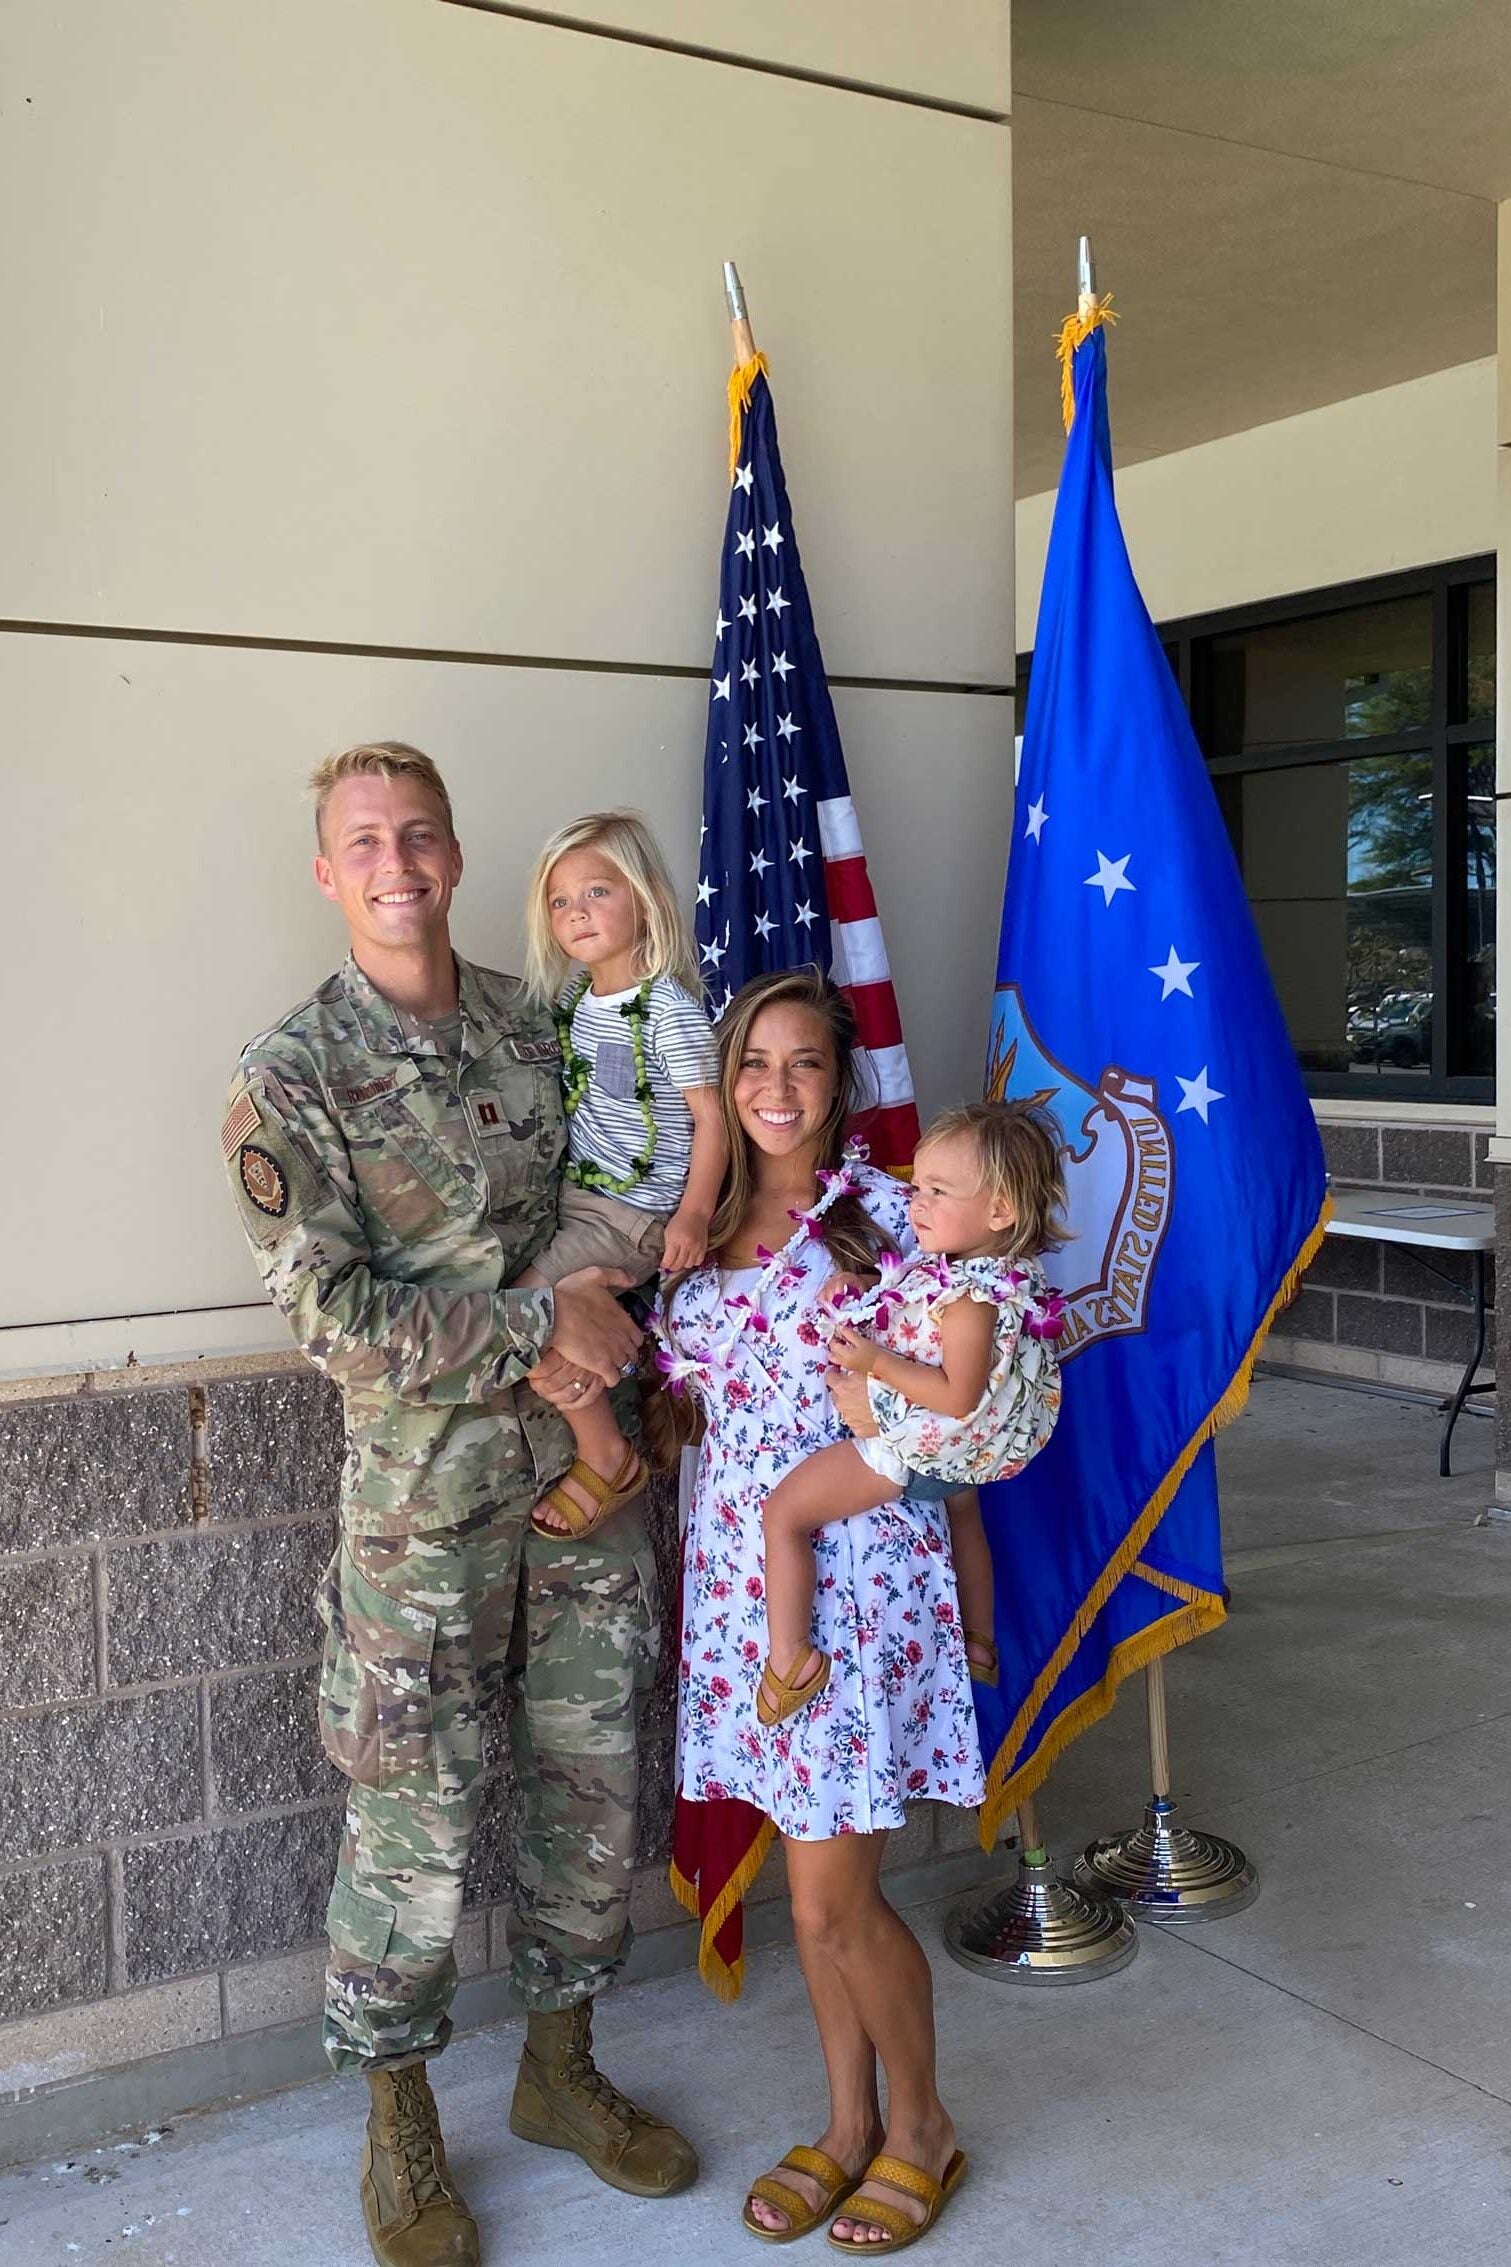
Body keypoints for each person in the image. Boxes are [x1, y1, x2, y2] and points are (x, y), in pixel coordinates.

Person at [221, 742, 696, 2267]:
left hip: (583, 1487)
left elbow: (615, 1202)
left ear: (454, 848)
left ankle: (560, 2069)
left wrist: (623, 1361)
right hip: (423, 1519)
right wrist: (534, 1331)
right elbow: (334, 1317)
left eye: (418, 831)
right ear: (326, 868)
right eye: (363, 837)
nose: (396, 859)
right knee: (412, 1816)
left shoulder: (532, 1019)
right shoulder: (286, 1072)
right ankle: (400, 2121)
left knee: (589, 1776)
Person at [658, 968, 981, 2254]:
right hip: (743, 1587)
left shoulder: (894, 1223)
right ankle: (846, 2122)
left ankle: (922, 2129)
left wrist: (969, 1574)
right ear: (724, 1085)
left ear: (839, 1084)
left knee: (836, 1901)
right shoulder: (687, 1233)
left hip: (857, 1579)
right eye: (752, 1064)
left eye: (803, 1063)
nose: (776, 1088)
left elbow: (962, 1408)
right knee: (805, 1900)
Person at [756, 1100, 1067, 1726]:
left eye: (937, 1190)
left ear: (1000, 1210)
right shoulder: (970, 1272)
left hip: (907, 1447)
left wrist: (874, 1363)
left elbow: (957, 1393)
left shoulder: (973, 1301)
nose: (915, 1202)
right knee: (963, 1513)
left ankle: (789, 1659)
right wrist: (862, 1287)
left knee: (784, 1514)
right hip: (956, 1459)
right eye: (918, 1186)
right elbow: (909, 1299)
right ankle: (978, 1639)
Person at [516, 810, 725, 1539]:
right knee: (542, 1310)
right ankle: (595, 1373)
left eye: (597, 892)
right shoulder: (575, 1002)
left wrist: (693, 1213)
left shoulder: (666, 1010)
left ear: (645, 899)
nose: (577, 913)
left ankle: (605, 1454)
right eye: (560, 900)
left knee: (524, 1309)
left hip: (633, 1213)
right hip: (580, 1200)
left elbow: (712, 1117)